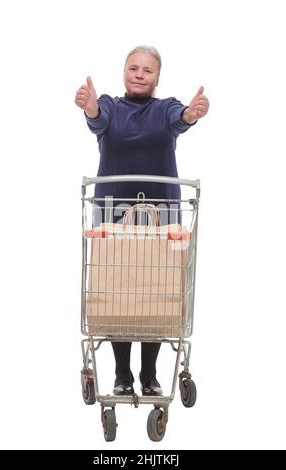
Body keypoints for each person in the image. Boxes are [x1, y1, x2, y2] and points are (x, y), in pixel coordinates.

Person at [75, 45, 209, 396]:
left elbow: (181, 118)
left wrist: (192, 114)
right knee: (118, 290)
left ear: (157, 77)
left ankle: (149, 374)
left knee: (155, 291)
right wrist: (89, 106)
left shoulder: (164, 109)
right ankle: (122, 375)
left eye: (147, 70)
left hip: (161, 215)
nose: (138, 74)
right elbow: (97, 119)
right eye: (133, 68)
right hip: (113, 212)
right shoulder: (110, 106)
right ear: (124, 72)